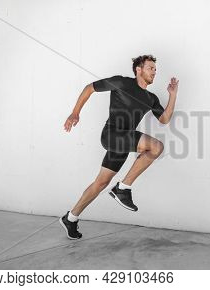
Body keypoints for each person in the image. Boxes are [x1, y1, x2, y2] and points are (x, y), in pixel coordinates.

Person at [59, 55, 178, 240]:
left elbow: (164, 119)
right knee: (156, 147)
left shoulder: (151, 98)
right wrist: (75, 113)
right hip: (112, 135)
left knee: (100, 183)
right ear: (138, 69)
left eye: (155, 69)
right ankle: (123, 188)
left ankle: (71, 218)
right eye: (150, 68)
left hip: (123, 142)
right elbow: (90, 88)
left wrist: (173, 96)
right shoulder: (121, 83)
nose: (154, 71)